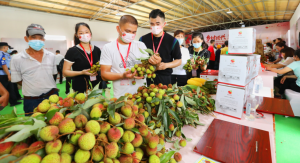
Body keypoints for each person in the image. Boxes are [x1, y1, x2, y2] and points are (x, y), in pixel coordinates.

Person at [100, 15, 158, 98]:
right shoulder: (108, 48)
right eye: (127, 31)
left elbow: (149, 67)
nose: (131, 34)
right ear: (118, 29)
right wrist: (123, 75)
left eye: (134, 32)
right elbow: (104, 75)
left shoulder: (140, 45)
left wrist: (156, 63)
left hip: (141, 95)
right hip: (120, 97)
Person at [10, 24, 58, 114]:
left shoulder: (51, 56)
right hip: (32, 101)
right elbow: (18, 80)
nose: (37, 40)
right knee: (34, 126)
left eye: (40, 38)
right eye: (33, 37)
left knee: (55, 123)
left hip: (52, 97)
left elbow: (52, 74)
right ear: (26, 38)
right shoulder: (17, 58)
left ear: (44, 40)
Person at [139, 9, 182, 86]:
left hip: (165, 78)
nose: (154, 26)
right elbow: (139, 59)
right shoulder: (143, 39)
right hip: (147, 76)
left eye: (157, 24)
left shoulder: (172, 40)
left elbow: (178, 60)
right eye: (152, 24)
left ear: (164, 24)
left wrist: (166, 65)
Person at [63, 22, 102, 93]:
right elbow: (65, 72)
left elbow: (100, 65)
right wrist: (81, 72)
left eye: (87, 32)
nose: (85, 35)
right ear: (76, 35)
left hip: (96, 86)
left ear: (90, 33)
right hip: (80, 87)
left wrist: (99, 68)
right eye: (81, 33)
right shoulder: (72, 51)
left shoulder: (97, 50)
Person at [0, 42, 21, 106]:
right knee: (3, 90)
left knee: (11, 88)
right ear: (4, 47)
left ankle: (13, 101)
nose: (8, 48)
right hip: (3, 75)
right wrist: (8, 74)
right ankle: (2, 102)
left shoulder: (6, 54)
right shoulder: (1, 54)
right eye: (7, 47)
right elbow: (3, 65)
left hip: (8, 73)